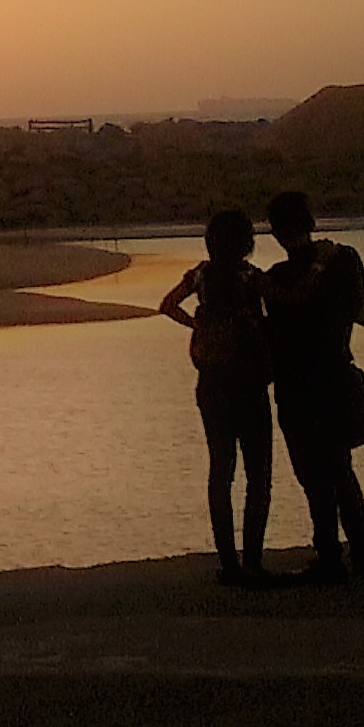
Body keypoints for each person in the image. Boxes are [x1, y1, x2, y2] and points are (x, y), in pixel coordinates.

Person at [261, 190, 364, 583]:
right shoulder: (346, 260)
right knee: (342, 469)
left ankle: (329, 554)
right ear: (311, 222)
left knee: (314, 475)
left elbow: (280, 324)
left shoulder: (276, 278)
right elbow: (363, 315)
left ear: (275, 232)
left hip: (297, 382)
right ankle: (361, 554)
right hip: (336, 371)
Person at [158, 209, 274, 584]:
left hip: (211, 382)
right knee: (258, 473)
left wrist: (198, 324)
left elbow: (167, 305)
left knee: (220, 470)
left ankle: (228, 562)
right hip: (249, 383)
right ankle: (252, 560)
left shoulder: (200, 276)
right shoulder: (252, 278)